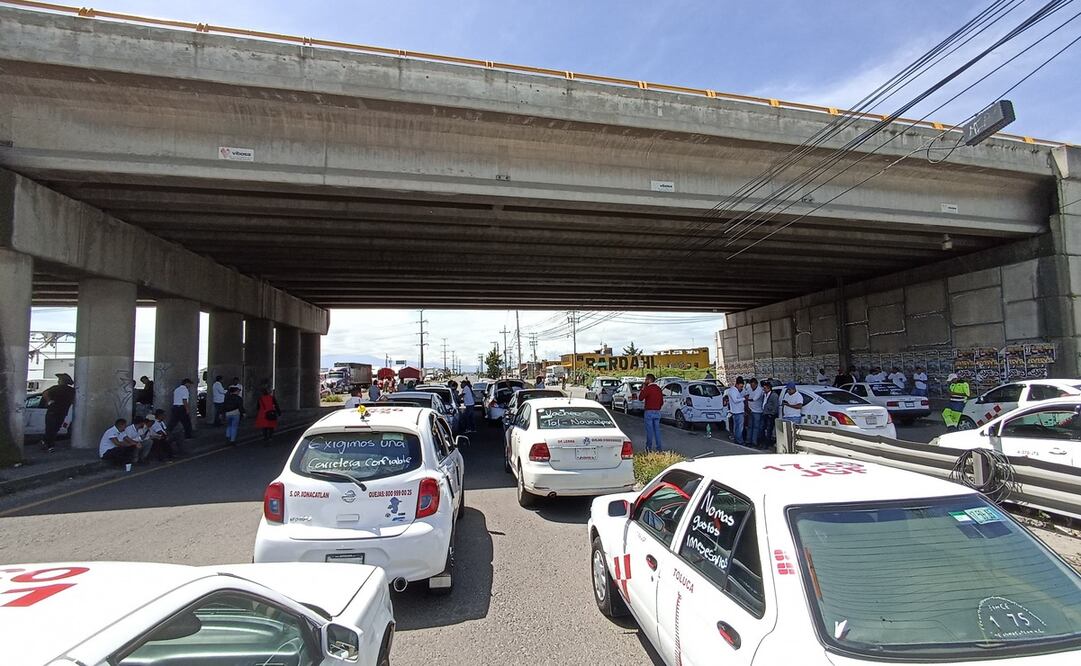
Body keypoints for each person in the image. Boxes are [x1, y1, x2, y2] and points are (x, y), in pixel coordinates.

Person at [39, 372, 75, 453]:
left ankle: (47, 443)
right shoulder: (71, 391)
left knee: (50, 428)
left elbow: (45, 393)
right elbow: (73, 400)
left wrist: (49, 401)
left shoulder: (56, 388)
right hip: (62, 412)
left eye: (60, 380)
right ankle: (49, 444)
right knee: (54, 429)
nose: (58, 381)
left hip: (53, 411)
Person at [640, 373, 664, 452]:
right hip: (657, 411)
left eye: (646, 379)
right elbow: (661, 402)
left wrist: (643, 388)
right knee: (657, 431)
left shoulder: (648, 388)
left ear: (649, 380)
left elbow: (640, 398)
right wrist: (658, 407)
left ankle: (648, 448)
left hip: (649, 411)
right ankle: (659, 448)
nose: (645, 381)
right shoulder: (658, 389)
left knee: (649, 431)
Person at [723, 377, 746, 446]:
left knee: (737, 427)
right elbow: (735, 400)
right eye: (741, 386)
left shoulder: (736, 391)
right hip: (737, 412)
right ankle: (739, 440)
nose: (741, 388)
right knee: (739, 428)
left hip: (739, 411)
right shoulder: (732, 391)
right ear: (737, 384)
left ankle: (737, 440)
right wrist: (744, 398)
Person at [745, 378, 764, 447]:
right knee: (750, 426)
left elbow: (754, 399)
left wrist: (747, 399)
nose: (752, 387)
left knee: (756, 427)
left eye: (753, 385)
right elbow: (746, 394)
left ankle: (754, 441)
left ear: (756, 384)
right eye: (751, 385)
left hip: (757, 411)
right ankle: (748, 441)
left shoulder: (759, 390)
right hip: (751, 410)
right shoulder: (750, 388)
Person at [761, 380, 779, 447]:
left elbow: (775, 405)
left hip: (770, 415)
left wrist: (772, 413)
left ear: (769, 388)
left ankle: (767, 444)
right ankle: (764, 442)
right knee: (764, 429)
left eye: (765, 388)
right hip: (765, 413)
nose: (764, 389)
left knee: (769, 430)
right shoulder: (765, 395)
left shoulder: (774, 395)